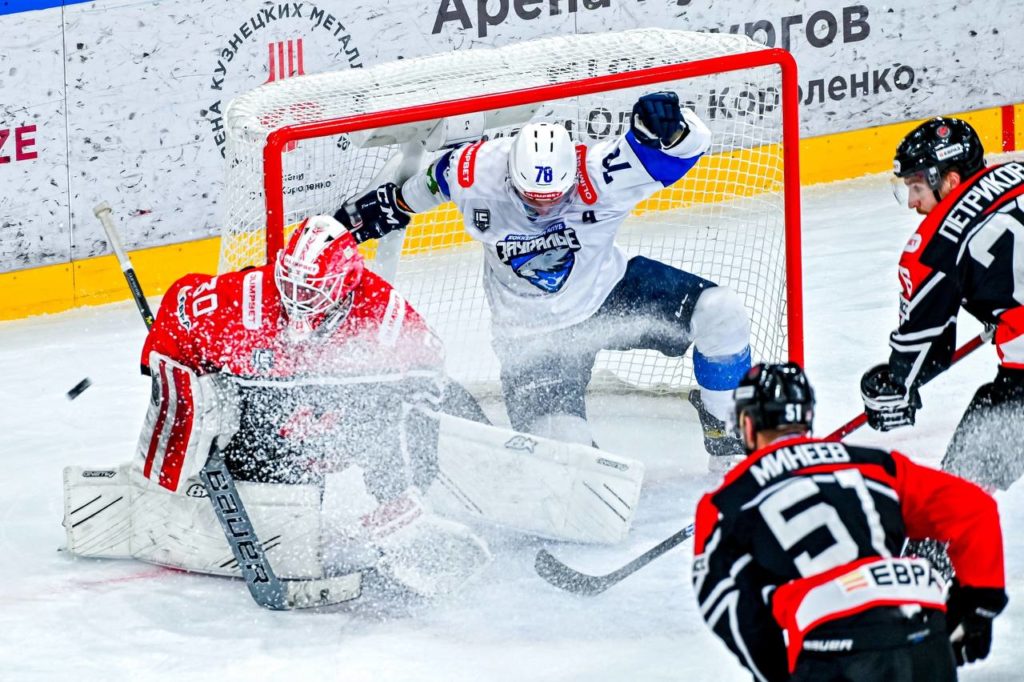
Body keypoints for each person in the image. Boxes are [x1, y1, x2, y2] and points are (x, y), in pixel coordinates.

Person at [335, 92, 753, 470]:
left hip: (608, 294)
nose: (543, 205)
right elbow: (429, 185)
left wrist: (675, 129)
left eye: (555, 195)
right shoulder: (474, 170)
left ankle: (723, 428)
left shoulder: (603, 174)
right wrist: (393, 204)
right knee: (569, 464)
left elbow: (687, 149)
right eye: (531, 195)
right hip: (532, 338)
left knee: (723, 313)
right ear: (510, 177)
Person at [134, 214, 491, 598]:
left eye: (312, 289)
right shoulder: (245, 297)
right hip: (265, 424)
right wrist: (185, 388)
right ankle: (253, 501)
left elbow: (427, 375)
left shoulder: (379, 309)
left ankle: (396, 518)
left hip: (332, 429)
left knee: (386, 417)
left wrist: (409, 487)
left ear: (344, 286)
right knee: (285, 513)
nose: (297, 296)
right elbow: (180, 309)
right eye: (292, 283)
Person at [692, 362, 1007, 682]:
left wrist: (775, 674)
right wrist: (979, 604)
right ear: (807, 418)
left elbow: (728, 605)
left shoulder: (726, 501)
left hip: (835, 646)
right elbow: (975, 508)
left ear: (747, 425)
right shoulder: (875, 464)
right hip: (923, 630)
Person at [860, 116, 1024, 492]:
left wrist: (891, 385)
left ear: (950, 180)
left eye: (917, 187)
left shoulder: (934, 248)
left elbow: (922, 356)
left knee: (955, 505)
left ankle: (935, 549)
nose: (913, 203)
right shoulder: (1018, 170)